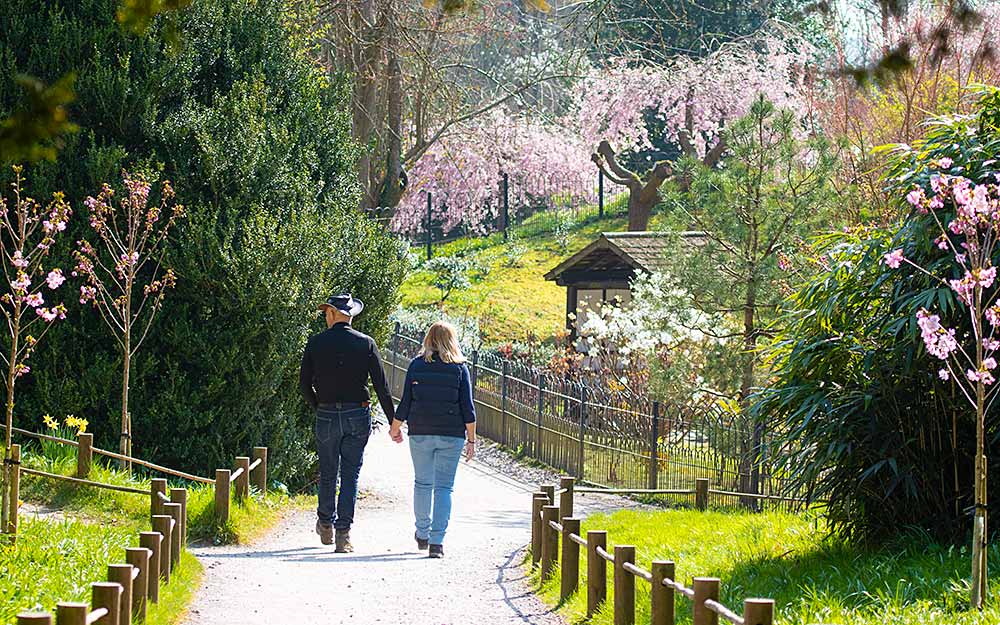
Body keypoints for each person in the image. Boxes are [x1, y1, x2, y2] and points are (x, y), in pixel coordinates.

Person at [300, 294, 396, 553]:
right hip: (357, 413)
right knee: (350, 475)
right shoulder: (366, 343)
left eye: (326, 312)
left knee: (328, 471)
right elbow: (381, 386)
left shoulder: (316, 342)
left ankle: (325, 523)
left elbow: (304, 384)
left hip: (327, 411)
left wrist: (318, 405)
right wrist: (393, 422)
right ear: (351, 314)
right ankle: (344, 534)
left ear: (332, 313)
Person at [389, 321, 476, 559]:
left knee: (422, 483)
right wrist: (471, 440)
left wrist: (394, 428)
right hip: (451, 434)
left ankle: (422, 533)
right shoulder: (460, 369)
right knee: (444, 488)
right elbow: (468, 408)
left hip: (420, 432)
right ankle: (437, 542)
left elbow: (406, 401)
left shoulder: (417, 365)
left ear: (428, 339)